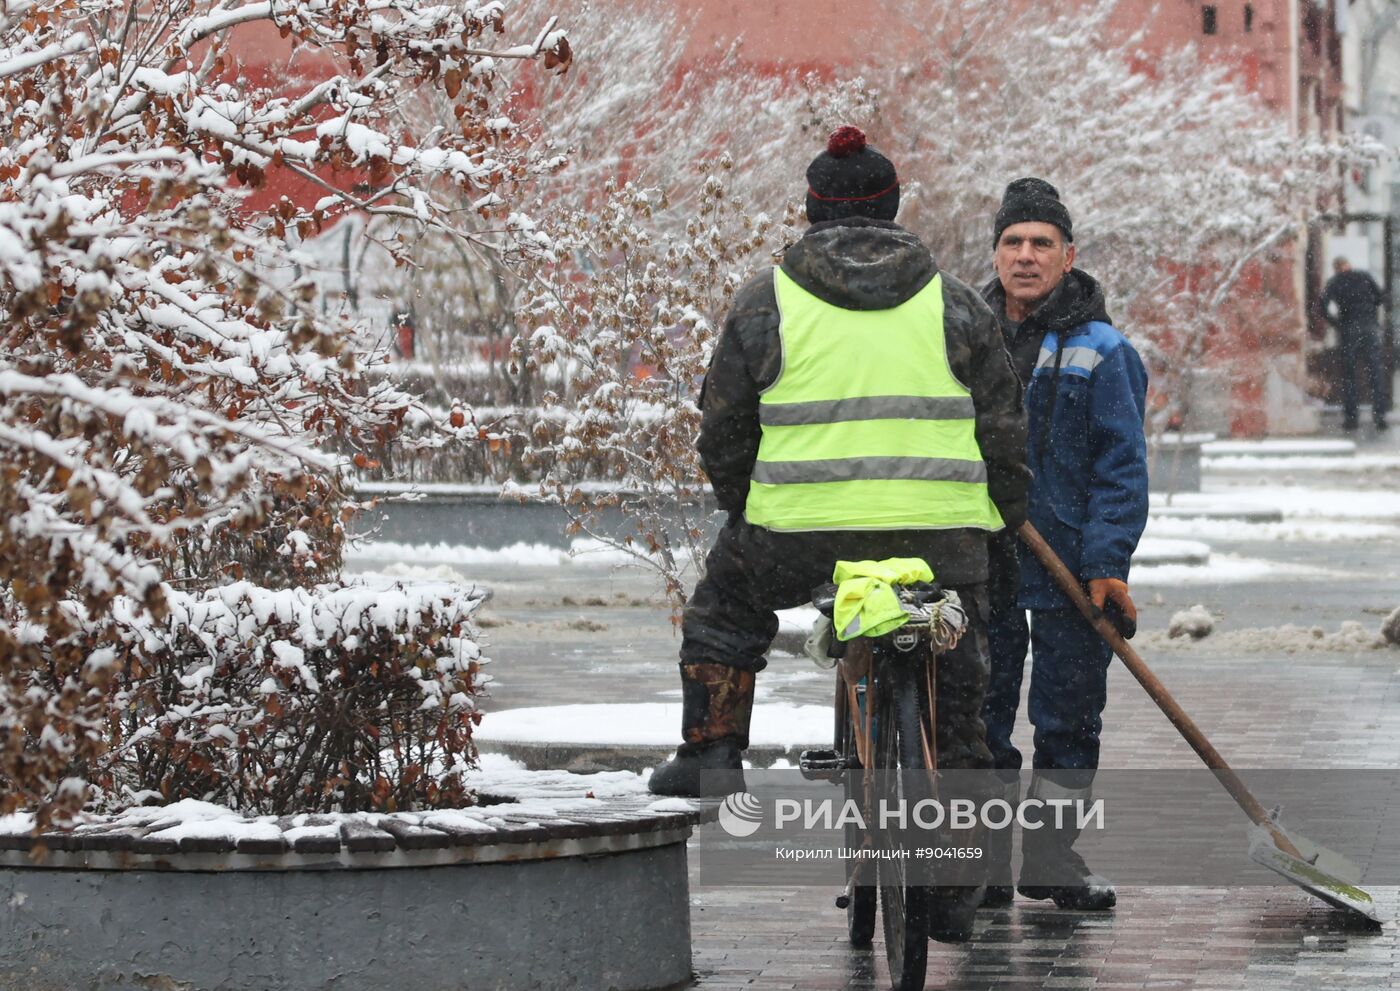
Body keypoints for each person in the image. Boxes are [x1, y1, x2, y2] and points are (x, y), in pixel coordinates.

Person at [647, 126, 1030, 938]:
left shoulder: (765, 300)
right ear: (893, 210)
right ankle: (958, 879)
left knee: (724, 608)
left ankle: (713, 756)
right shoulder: (955, 300)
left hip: (800, 535)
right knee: (960, 687)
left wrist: (748, 505)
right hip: (939, 537)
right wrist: (1002, 519)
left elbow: (723, 428)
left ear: (812, 211)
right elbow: (1004, 426)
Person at [977, 178, 1149, 911]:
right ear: (995, 252)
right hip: (981, 559)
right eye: (1013, 241)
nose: (1025, 255)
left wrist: (1108, 565)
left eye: (1041, 242)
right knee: (978, 718)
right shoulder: (968, 339)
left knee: (1068, 718)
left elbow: (1122, 468)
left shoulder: (1104, 351)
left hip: (1071, 566)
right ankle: (979, 867)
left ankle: (1050, 859)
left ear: (1069, 254)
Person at [1319, 257, 1389, 432]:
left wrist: (1337, 323)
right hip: (1369, 328)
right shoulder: (1364, 276)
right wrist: (1371, 313)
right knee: (1375, 373)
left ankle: (1351, 419)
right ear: (1348, 265)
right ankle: (1379, 416)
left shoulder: (1334, 282)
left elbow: (1322, 306)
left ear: (1335, 268)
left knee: (1349, 376)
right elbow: (1381, 297)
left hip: (1348, 330)